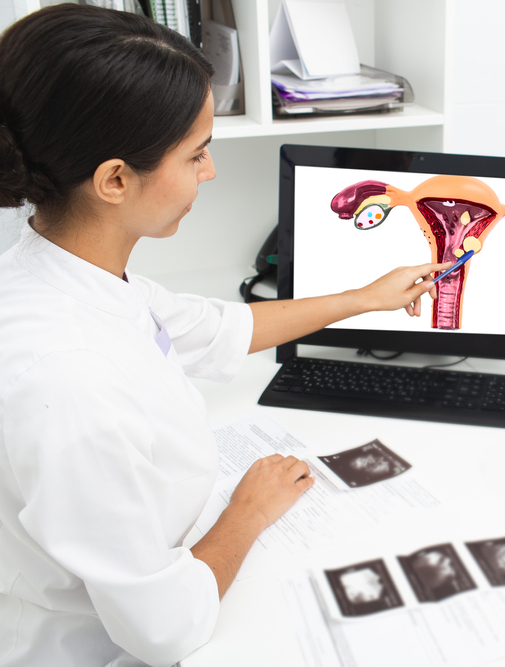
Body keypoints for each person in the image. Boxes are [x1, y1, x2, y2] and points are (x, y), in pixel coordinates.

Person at [0, 5, 449, 666]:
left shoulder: (60, 265)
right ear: (115, 179)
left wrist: (367, 296)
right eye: (197, 153)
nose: (209, 173)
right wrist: (248, 510)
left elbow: (217, 328)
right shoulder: (67, 384)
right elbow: (162, 627)